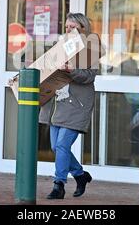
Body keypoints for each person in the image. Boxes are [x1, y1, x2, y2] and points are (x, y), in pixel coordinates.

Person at [39, 13, 97, 199]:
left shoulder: (91, 49)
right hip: (57, 104)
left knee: (63, 145)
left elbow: (88, 76)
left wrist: (72, 70)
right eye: (66, 27)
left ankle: (59, 185)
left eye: (73, 28)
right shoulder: (59, 46)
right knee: (57, 147)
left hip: (76, 104)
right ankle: (80, 175)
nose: (68, 30)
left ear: (83, 29)